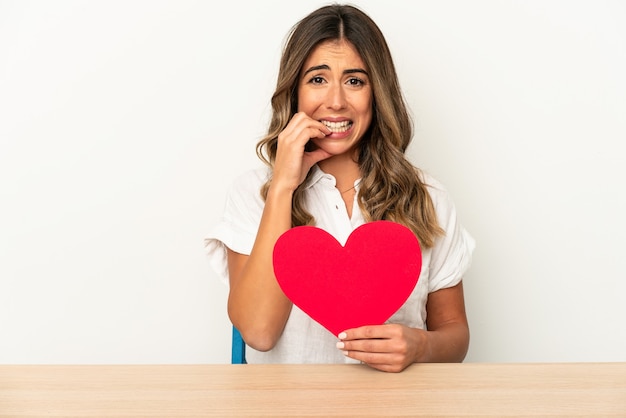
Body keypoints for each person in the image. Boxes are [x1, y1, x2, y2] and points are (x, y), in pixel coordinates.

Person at [204, 4, 475, 372]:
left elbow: (454, 333)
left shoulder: (428, 197)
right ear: (294, 91)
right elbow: (258, 333)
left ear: (376, 93)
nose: (335, 101)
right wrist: (284, 186)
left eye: (354, 81)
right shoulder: (254, 193)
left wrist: (420, 346)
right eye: (318, 79)